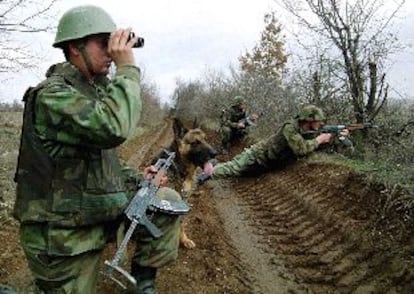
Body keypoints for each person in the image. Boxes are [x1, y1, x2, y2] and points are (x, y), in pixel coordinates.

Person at [13, 5, 183, 293]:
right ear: (74, 48)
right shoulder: (52, 95)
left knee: (163, 199)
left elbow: (103, 163)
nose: (112, 52)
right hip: (62, 235)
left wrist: (140, 180)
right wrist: (127, 68)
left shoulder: (95, 92)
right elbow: (114, 127)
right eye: (104, 44)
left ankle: (143, 284)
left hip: (95, 214)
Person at [204, 105, 349, 179]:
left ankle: (214, 166)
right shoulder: (290, 128)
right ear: (309, 120)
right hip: (257, 156)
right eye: (318, 121)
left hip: (267, 162)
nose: (321, 123)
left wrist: (337, 137)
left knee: (241, 173)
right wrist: (320, 139)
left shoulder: (308, 131)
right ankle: (204, 175)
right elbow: (302, 149)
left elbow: (319, 145)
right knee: (233, 170)